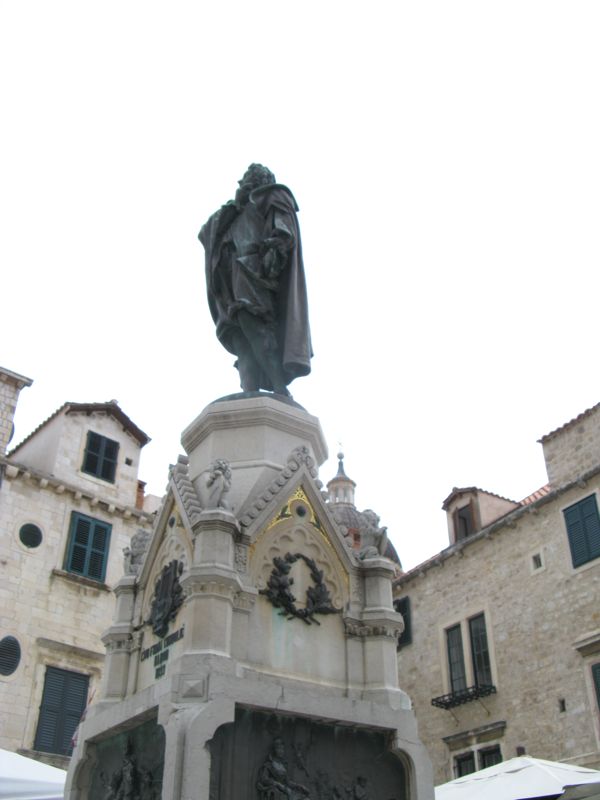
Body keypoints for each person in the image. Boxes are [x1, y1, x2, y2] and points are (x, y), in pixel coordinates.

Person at [199, 164, 312, 395]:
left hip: (253, 270)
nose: (247, 181)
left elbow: (283, 229)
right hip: (227, 275)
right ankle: (249, 391)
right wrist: (233, 207)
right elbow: (206, 232)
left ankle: (280, 389)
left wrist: (274, 251)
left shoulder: (272, 195)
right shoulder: (231, 211)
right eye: (246, 178)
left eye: (254, 177)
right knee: (236, 330)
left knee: (252, 322)